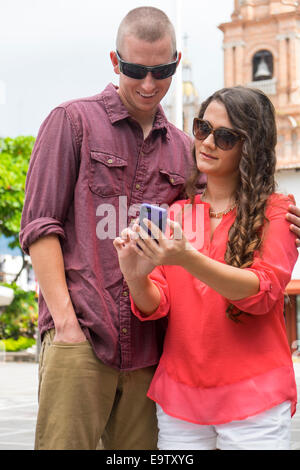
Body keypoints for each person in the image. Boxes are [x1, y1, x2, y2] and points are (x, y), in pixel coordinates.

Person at [19, 6, 300, 451]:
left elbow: (235, 206)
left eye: (161, 70)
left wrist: (283, 216)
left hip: (151, 355)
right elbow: (39, 226)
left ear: (176, 61)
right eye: (135, 70)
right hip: (85, 336)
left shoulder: (188, 151)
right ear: (115, 61)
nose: (149, 84)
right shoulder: (72, 121)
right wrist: (67, 327)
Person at [114, 86, 299, 450]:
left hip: (254, 400)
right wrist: (134, 276)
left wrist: (187, 258)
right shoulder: (178, 214)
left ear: (251, 146)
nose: (208, 142)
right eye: (202, 128)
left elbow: (260, 293)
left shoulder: (277, 211)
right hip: (181, 399)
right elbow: (157, 304)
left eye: (225, 136)